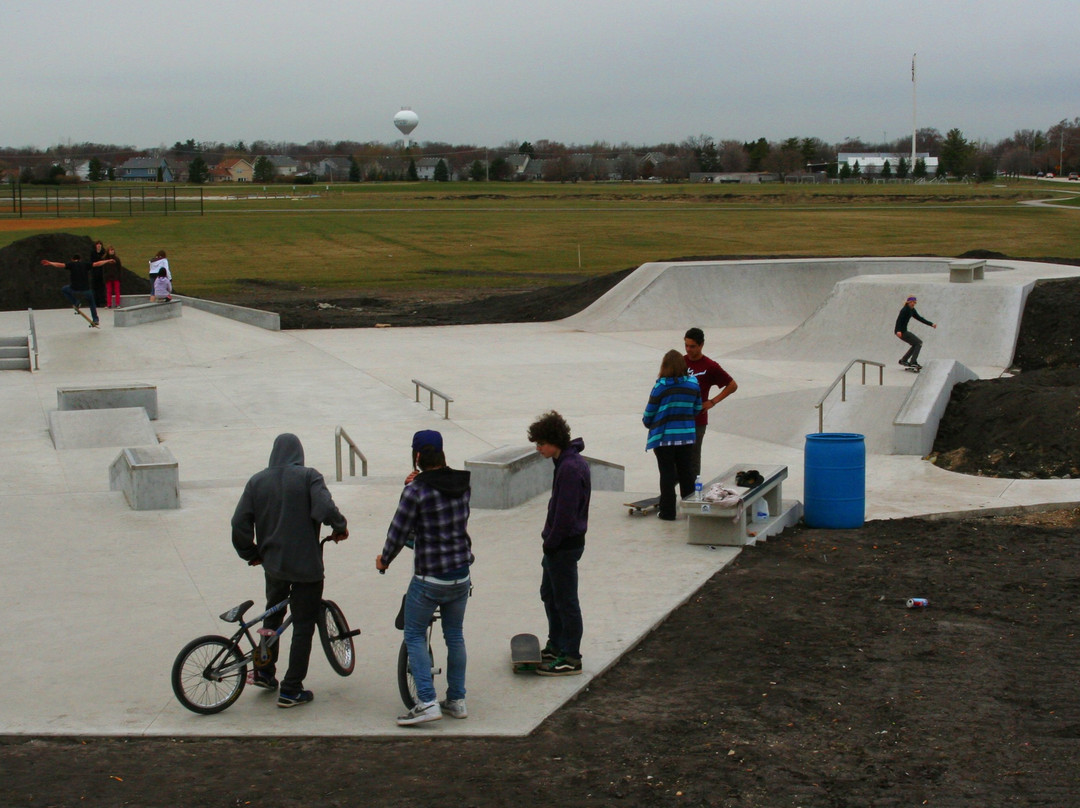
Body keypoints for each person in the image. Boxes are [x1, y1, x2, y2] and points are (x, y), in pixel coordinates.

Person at [231, 433, 349, 708]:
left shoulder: (256, 481)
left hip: (274, 565)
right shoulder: (309, 477)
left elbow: (239, 523)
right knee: (303, 626)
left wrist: (251, 553)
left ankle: (264, 672)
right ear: (299, 454)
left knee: (272, 617)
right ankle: (291, 688)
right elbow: (325, 507)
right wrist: (340, 527)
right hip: (306, 567)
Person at [377, 430, 474, 725]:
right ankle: (456, 700)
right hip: (460, 576)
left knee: (415, 634)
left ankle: (428, 701)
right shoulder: (462, 484)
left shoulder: (415, 491)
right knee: (454, 636)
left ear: (417, 456)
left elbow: (399, 531)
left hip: (429, 578)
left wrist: (384, 560)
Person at [526, 410, 590, 676]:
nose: (538, 449)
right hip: (557, 543)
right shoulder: (564, 462)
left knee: (565, 600)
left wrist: (551, 542)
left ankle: (571, 656)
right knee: (549, 593)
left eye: (541, 443)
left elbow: (565, 514)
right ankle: (557, 643)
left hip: (563, 545)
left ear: (553, 441)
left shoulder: (571, 469)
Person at [642, 350, 702, 521]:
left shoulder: (661, 386)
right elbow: (697, 409)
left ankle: (668, 512)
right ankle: (692, 512)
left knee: (667, 475)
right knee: (686, 473)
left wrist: (649, 423)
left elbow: (649, 413)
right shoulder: (693, 383)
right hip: (686, 436)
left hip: (664, 438)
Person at [683, 327, 738, 479]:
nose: (688, 349)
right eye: (686, 345)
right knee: (677, 459)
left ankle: (693, 493)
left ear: (701, 345)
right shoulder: (681, 362)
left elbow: (732, 385)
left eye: (692, 346)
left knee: (693, 460)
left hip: (698, 420)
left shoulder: (710, 366)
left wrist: (713, 401)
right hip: (680, 420)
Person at [39, 253, 116, 326]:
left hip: (74, 288)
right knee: (92, 302)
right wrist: (108, 261)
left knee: (64, 289)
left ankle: (76, 302)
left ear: (73, 259)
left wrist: (50, 263)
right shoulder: (85, 264)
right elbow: (97, 264)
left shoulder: (71, 264)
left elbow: (60, 265)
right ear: (80, 259)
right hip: (86, 289)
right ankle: (95, 319)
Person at [895, 295, 937, 369]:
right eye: (911, 302)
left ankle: (904, 360)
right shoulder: (904, 310)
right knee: (919, 343)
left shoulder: (912, 310)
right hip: (901, 332)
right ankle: (913, 362)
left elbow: (920, 318)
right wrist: (898, 330)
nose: (913, 304)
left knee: (915, 344)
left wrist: (931, 324)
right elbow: (899, 320)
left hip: (904, 331)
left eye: (914, 302)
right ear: (908, 302)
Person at [90, 240, 107, 310]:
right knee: (95, 288)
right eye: (97, 244)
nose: (99, 245)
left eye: (100, 244)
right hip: (95, 272)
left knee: (102, 288)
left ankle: (102, 302)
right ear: (95, 245)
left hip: (102, 272)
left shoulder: (104, 253)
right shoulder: (93, 253)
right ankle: (96, 302)